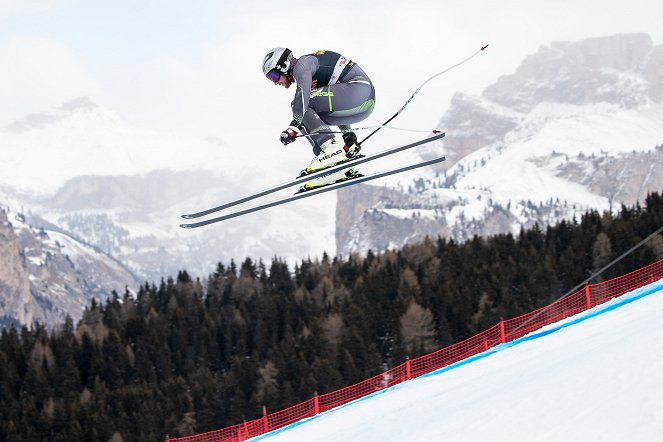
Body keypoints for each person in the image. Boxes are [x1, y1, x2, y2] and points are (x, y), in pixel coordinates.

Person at [262, 47, 376, 190]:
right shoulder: (310, 74)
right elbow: (333, 102)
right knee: (309, 113)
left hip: (359, 91)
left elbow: (302, 95)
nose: (274, 82)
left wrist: (293, 126)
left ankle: (330, 149)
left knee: (301, 104)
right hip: (361, 101)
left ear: (283, 66)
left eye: (273, 76)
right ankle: (334, 162)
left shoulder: (302, 66)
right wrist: (348, 136)